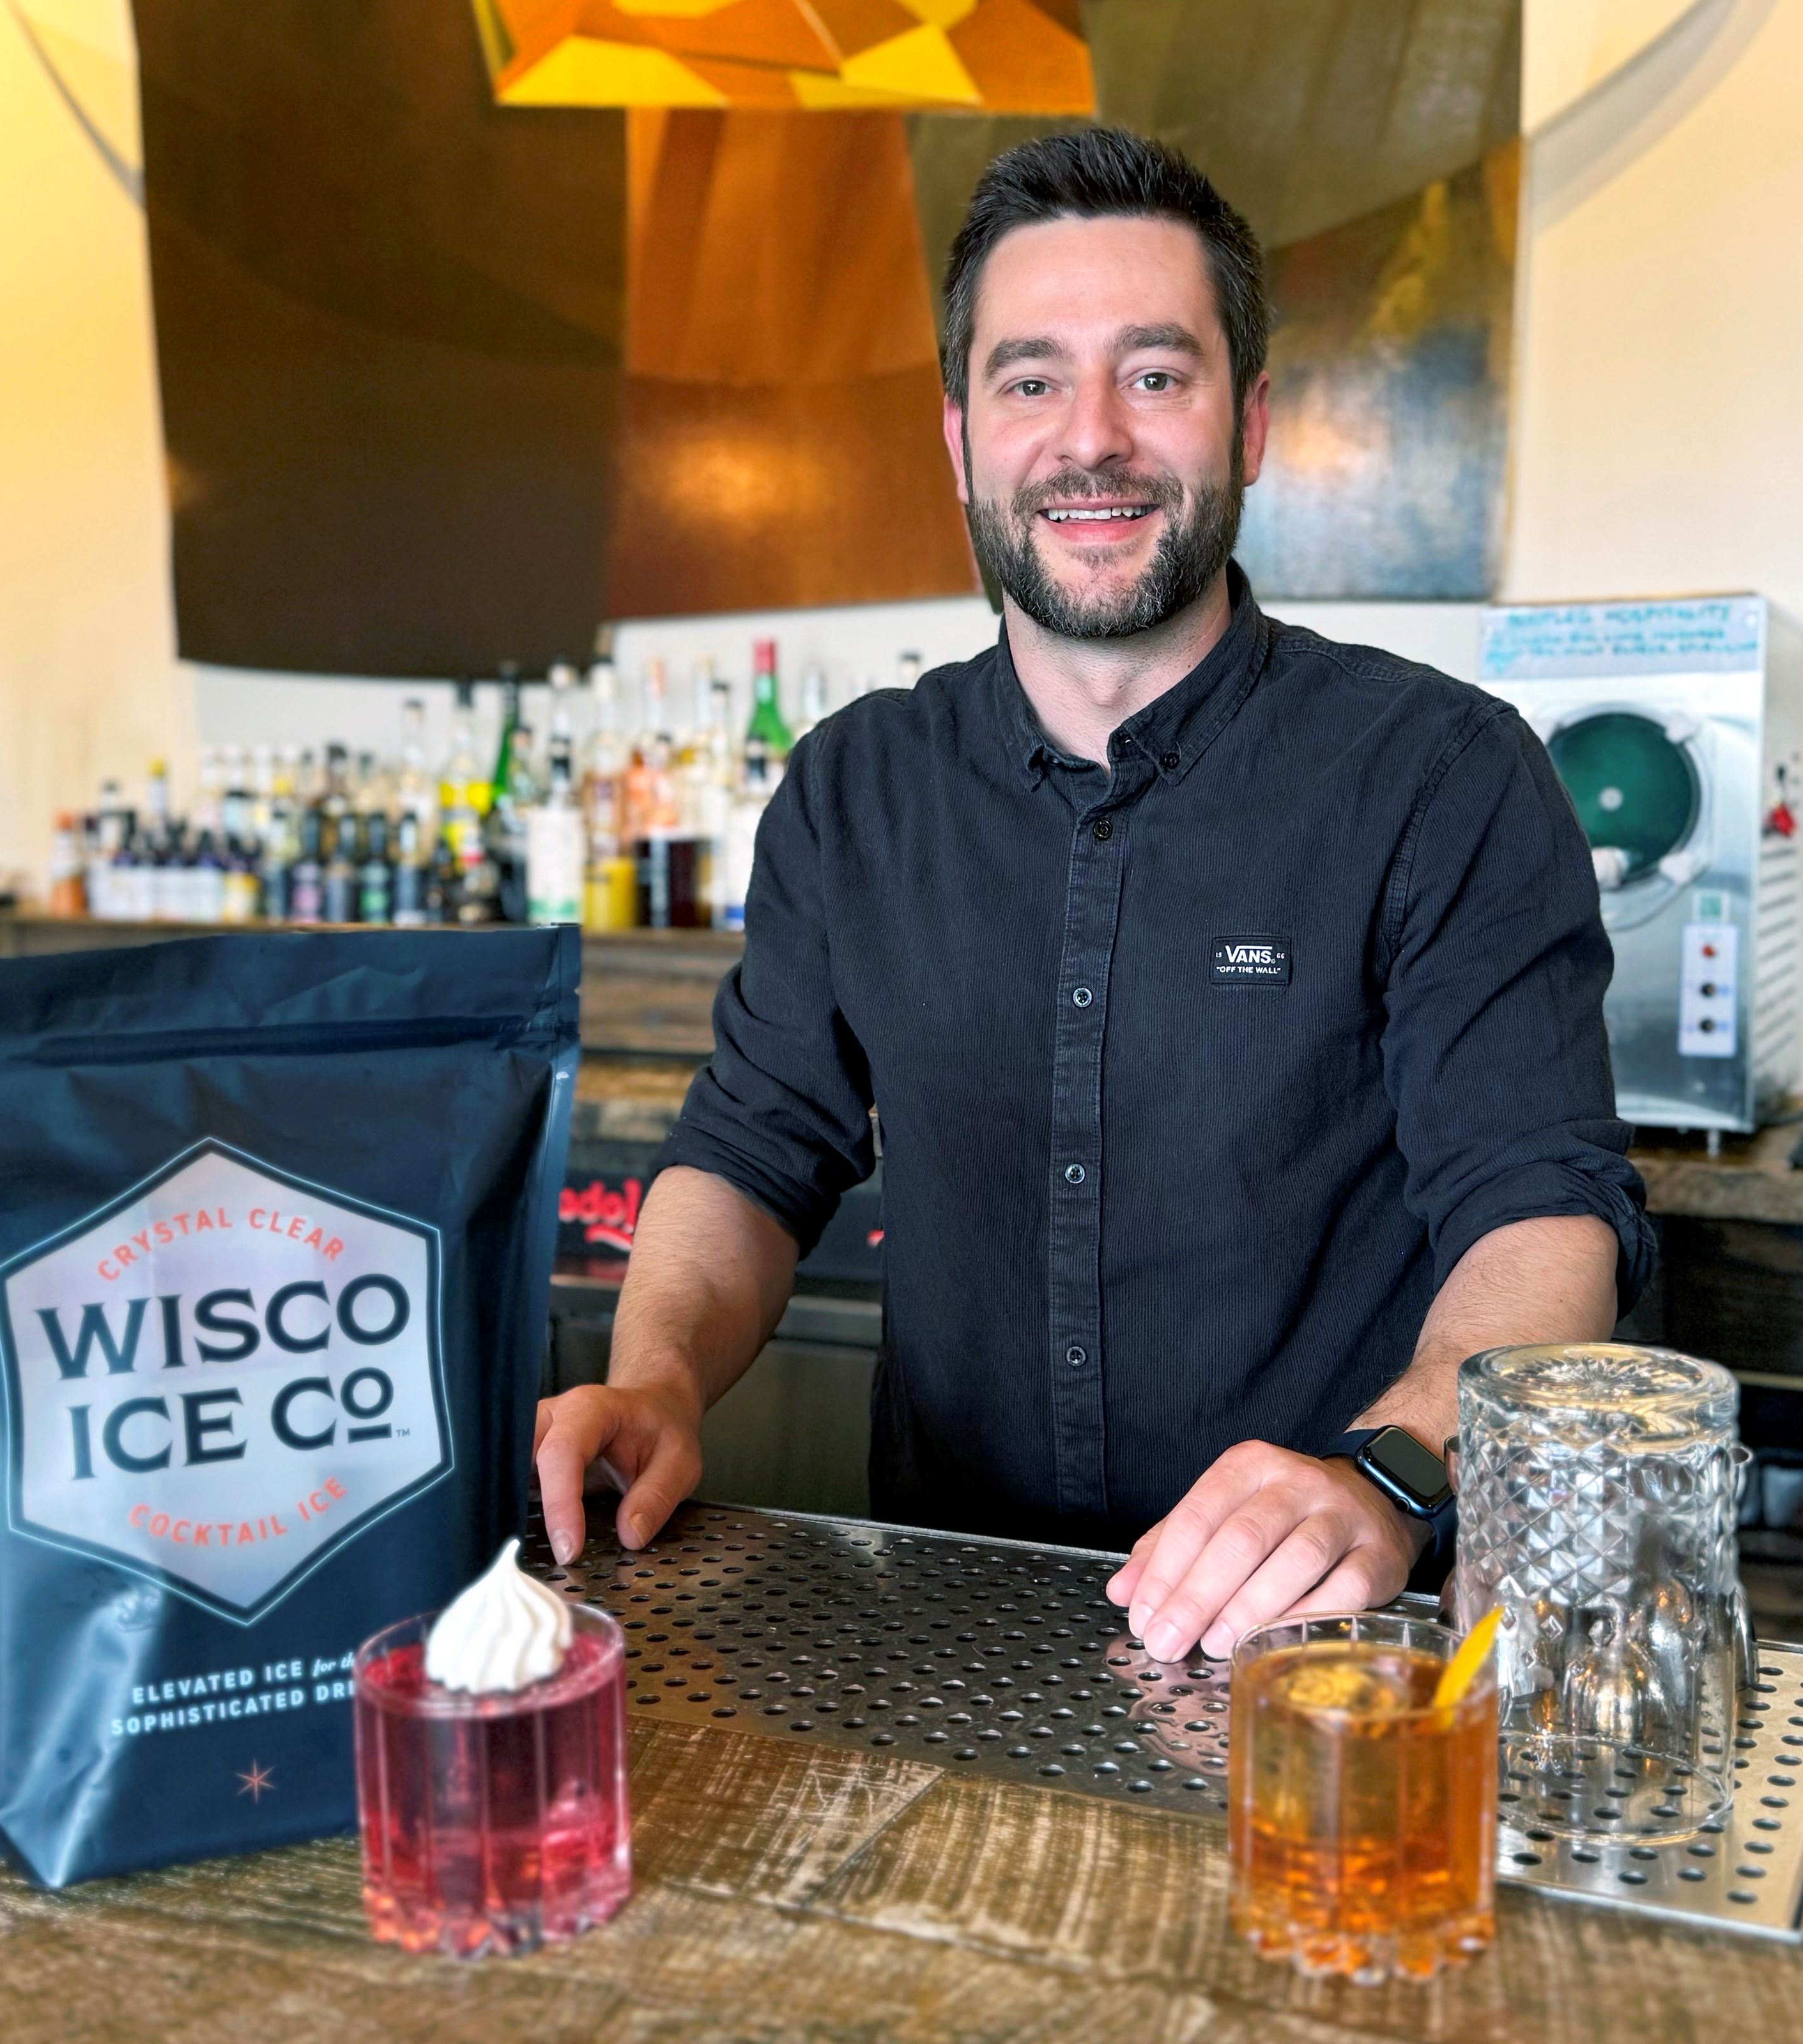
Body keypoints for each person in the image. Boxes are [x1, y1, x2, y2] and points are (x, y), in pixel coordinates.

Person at [533, 128, 1652, 1665]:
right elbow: (747, 1149)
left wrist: (1388, 1472)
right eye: (1030, 378)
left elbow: (1540, 1208)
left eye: (1155, 372)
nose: (1090, 439)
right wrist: (655, 1374)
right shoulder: (854, 788)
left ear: (1248, 422)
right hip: (942, 1629)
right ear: (960, 439)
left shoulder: (1442, 776)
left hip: (1325, 1645)